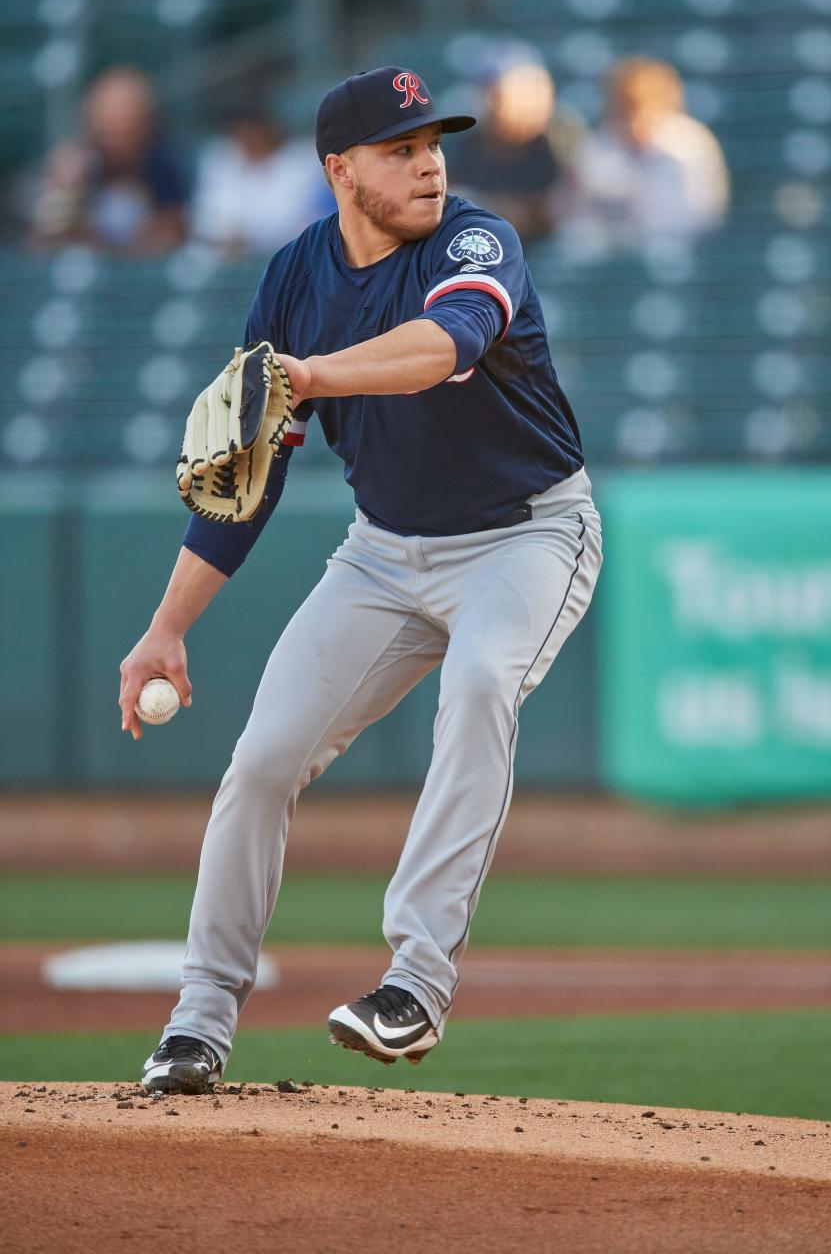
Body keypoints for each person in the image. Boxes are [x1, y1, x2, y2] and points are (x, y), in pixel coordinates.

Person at [119, 66, 603, 1092]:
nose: (430, 165)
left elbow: (443, 346)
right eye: (402, 150)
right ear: (341, 170)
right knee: (261, 760)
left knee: (480, 686)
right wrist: (165, 628)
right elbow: (249, 474)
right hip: (384, 553)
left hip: (527, 538)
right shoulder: (297, 276)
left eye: (434, 145)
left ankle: (416, 983)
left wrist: (312, 373)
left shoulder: (477, 239)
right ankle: (199, 1021)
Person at [561, 57, 729, 255]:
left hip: (679, 250)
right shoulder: (603, 141)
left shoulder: (689, 144)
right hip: (612, 251)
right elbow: (572, 211)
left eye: (641, 107)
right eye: (624, 108)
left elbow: (702, 217)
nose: (633, 119)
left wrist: (633, 197)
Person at [30, 66, 188, 254]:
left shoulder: (164, 165)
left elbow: (171, 238)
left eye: (129, 120)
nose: (120, 131)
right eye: (111, 123)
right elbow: (46, 243)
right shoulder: (74, 166)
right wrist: (67, 192)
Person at [444, 61, 564, 246]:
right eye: (493, 96)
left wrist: (510, 209)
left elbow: (558, 211)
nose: (496, 107)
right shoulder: (468, 145)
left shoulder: (555, 143)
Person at [191, 105, 336, 257]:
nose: (249, 138)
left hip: (281, 258)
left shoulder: (301, 160)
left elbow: (295, 223)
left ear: (268, 129)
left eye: (253, 130)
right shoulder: (220, 159)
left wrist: (249, 239)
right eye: (241, 132)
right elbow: (205, 220)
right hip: (220, 258)